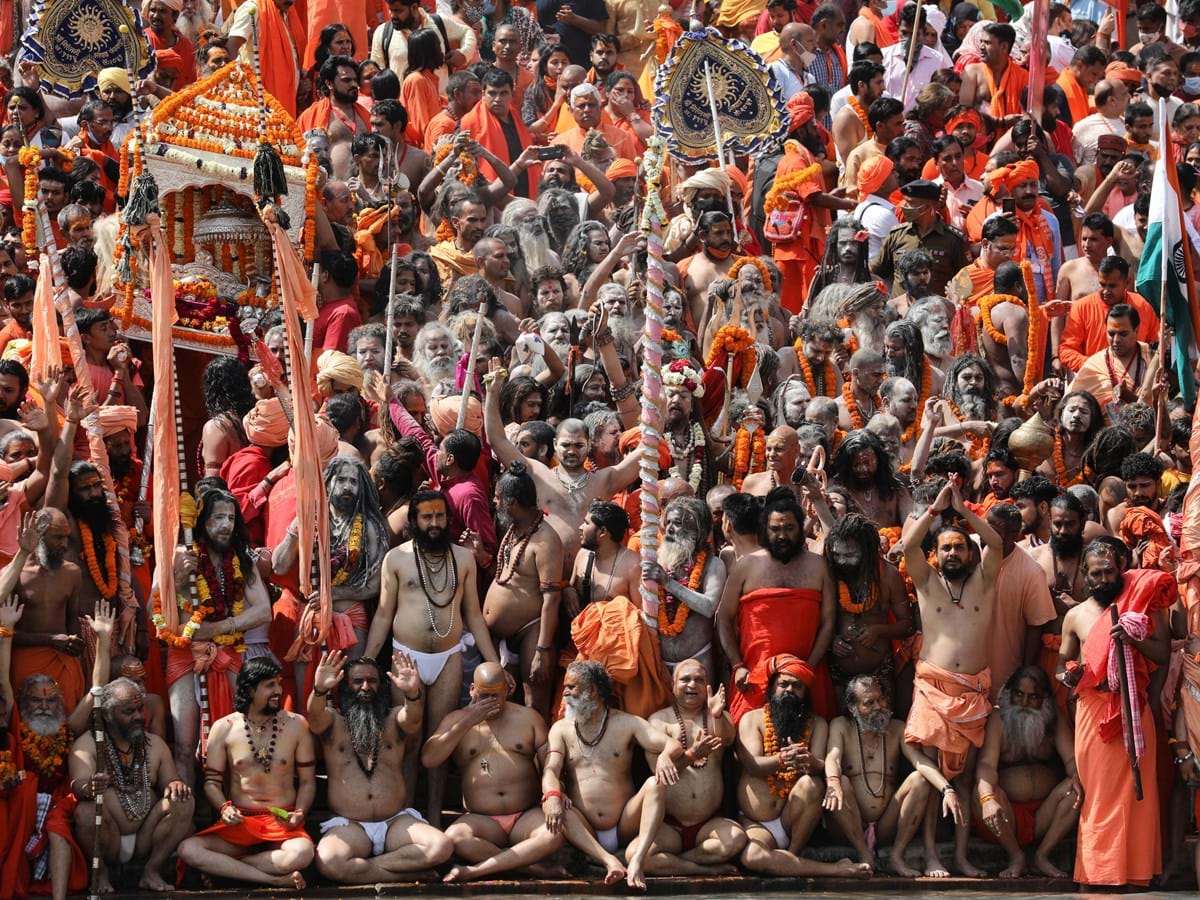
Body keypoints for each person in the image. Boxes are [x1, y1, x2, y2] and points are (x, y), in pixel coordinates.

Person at [363, 489, 501, 825]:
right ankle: (406, 816)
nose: (435, 523)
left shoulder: (463, 559)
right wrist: (366, 660)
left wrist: (493, 661)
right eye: (427, 517)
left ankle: (435, 818)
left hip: (448, 659)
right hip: (406, 657)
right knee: (408, 741)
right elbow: (383, 615)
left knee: (441, 740)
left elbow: (473, 615)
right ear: (414, 521)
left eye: (440, 516)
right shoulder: (396, 559)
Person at [902, 477, 1002, 877]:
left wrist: (963, 512)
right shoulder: (926, 583)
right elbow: (909, 546)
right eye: (946, 548)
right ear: (936, 555)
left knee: (963, 779)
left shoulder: (985, 580)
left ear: (970, 553)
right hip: (933, 689)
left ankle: (960, 856)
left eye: (959, 547)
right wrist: (933, 511)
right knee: (931, 780)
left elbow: (995, 544)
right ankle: (929, 855)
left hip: (972, 691)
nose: (953, 553)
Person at [1058, 541, 1171, 887]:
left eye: (1109, 572)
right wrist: (1068, 674)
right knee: (1099, 798)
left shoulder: (1143, 606)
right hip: (1094, 712)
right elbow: (1062, 663)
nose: (1104, 579)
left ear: (1120, 569)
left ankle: (1135, 876)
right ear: (1086, 576)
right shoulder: (1075, 615)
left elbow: (1163, 653)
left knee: (1138, 799)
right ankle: (1095, 876)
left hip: (1134, 708)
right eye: (1096, 574)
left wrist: (1133, 639)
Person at [540, 660, 704, 889]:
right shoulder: (561, 729)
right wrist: (553, 794)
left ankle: (637, 860)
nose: (565, 692)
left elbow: (673, 744)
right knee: (555, 802)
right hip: (584, 828)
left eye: (571, 687)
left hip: (624, 825)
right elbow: (550, 769)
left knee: (654, 784)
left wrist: (666, 756)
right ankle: (609, 861)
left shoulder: (627, 723)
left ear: (592, 691)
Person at [308, 651, 454, 883]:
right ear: (345, 686)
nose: (365, 686)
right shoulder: (333, 722)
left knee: (441, 846)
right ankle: (405, 875)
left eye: (372, 681)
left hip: (395, 822)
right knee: (329, 862)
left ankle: (368, 869)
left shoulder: (395, 718)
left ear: (381, 686)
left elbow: (413, 719)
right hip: (350, 825)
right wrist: (319, 689)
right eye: (358, 681)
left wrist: (412, 693)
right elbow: (314, 716)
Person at [178, 658, 315, 888]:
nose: (278, 691)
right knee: (188, 849)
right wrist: (224, 808)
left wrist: (299, 813)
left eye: (279, 684)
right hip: (240, 823)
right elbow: (212, 782)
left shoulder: (296, 725)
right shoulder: (225, 728)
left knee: (302, 854)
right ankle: (273, 880)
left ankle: (226, 869)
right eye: (270, 685)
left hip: (282, 823)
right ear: (250, 689)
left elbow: (308, 782)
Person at [424, 661, 563, 882]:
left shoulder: (528, 718)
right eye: (483, 695)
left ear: (507, 691)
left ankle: (478, 870)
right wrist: (468, 720)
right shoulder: (455, 720)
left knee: (554, 834)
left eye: (495, 696)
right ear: (472, 689)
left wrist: (553, 794)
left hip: (525, 815)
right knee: (455, 838)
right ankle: (532, 869)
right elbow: (430, 758)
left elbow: (550, 763)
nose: (489, 702)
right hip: (483, 820)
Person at [735, 654, 872, 877]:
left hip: (794, 820)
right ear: (771, 688)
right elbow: (753, 765)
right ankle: (834, 870)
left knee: (811, 784)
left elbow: (820, 765)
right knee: (753, 857)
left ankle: (792, 856)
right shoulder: (752, 719)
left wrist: (809, 762)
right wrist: (781, 760)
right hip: (757, 824)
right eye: (783, 684)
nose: (789, 690)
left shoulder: (816, 724)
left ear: (806, 693)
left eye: (797, 686)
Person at [718, 487, 836, 723]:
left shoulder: (818, 566)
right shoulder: (746, 567)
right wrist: (737, 664)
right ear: (765, 530)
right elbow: (724, 618)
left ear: (801, 528)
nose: (782, 535)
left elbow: (828, 622)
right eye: (775, 529)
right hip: (753, 677)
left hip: (808, 677)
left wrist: (808, 669)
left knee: (813, 743)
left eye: (789, 528)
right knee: (748, 743)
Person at [68, 677, 195, 893]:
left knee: (183, 801)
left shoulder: (155, 744)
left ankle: (151, 871)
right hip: (110, 836)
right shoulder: (88, 745)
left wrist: (175, 785)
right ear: (107, 715)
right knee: (85, 811)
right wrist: (88, 787)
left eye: (140, 709)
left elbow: (170, 781)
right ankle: (101, 874)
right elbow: (77, 784)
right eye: (128, 712)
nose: (138, 717)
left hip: (147, 834)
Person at [823, 675, 939, 875]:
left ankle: (896, 856)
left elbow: (919, 761)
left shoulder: (897, 728)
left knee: (919, 779)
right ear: (853, 707)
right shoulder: (841, 726)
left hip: (886, 825)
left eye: (881, 699)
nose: (878, 706)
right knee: (840, 781)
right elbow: (832, 757)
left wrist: (946, 788)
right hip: (847, 826)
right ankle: (864, 854)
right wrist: (833, 783)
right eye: (869, 703)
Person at [974, 666, 1082, 878]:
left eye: (1033, 697)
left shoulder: (1053, 718)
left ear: (1046, 699)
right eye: (1019, 694)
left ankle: (1042, 856)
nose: (1024, 703)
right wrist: (987, 799)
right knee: (981, 793)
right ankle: (1016, 856)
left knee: (1076, 789)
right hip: (1004, 818)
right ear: (1009, 693)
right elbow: (986, 765)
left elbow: (1071, 759)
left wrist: (1077, 776)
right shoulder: (999, 719)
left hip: (1044, 816)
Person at [482, 462, 563, 717]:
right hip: (499, 634)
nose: (494, 502)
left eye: (498, 498)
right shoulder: (514, 529)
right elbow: (506, 575)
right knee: (500, 703)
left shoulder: (546, 540)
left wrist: (542, 651)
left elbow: (552, 600)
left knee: (533, 703)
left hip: (531, 630)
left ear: (513, 502)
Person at [643, 497, 726, 678]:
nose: (670, 529)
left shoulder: (713, 565)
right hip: (662, 665)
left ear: (698, 530)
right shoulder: (658, 563)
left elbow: (709, 607)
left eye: (678, 523)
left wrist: (668, 583)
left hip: (699, 662)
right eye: (668, 522)